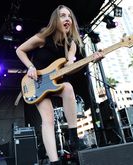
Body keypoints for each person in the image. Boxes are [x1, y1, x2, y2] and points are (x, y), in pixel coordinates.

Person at [16, 5, 103, 164]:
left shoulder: (72, 44)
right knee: (48, 120)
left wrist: (92, 59)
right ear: (56, 20)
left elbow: (70, 69)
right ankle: (55, 161)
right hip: (37, 83)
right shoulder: (43, 37)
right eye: (63, 16)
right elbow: (20, 50)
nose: (67, 19)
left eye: (69, 16)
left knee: (68, 87)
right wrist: (30, 67)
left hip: (56, 82)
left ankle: (73, 138)